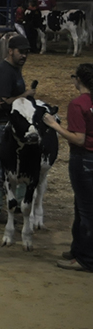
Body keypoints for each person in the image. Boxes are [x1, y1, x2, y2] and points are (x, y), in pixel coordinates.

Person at [42, 63, 93, 271]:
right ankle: (77, 249)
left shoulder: (77, 104)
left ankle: (86, 259)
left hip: (83, 159)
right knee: (83, 207)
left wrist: (54, 125)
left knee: (85, 211)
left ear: (77, 80)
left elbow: (79, 139)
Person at [0, 35, 33, 224]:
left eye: (27, 52)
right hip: (0, 125)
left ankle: (16, 204)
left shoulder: (14, 69)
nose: (24, 56)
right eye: (21, 52)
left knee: (17, 165)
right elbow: (1, 103)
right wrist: (25, 95)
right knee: (0, 166)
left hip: (9, 125)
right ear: (10, 50)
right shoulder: (4, 71)